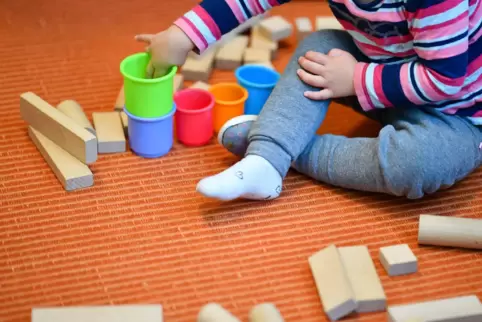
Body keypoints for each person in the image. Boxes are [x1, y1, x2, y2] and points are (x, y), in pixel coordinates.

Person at [136, 0, 482, 201]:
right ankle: (267, 160)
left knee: (418, 164)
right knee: (318, 46)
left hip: (457, 113)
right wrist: (184, 33)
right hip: (376, 73)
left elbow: (445, 79)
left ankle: (282, 150)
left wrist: (355, 78)